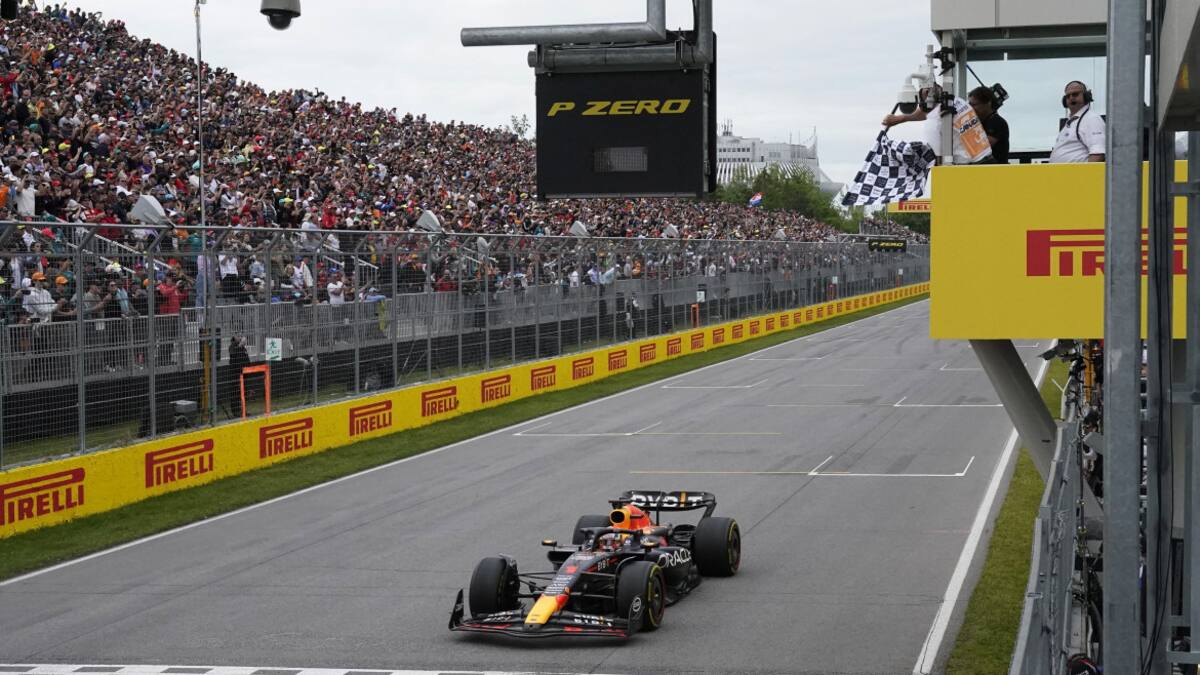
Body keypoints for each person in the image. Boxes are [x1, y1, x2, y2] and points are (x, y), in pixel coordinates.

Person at [1049, 81, 1106, 163]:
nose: (1071, 98)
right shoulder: (1071, 122)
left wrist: (1087, 175)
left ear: (1086, 97)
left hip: (1078, 175)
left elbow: (1098, 153)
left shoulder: (1091, 119)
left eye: (1075, 94)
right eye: (1068, 96)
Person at [967, 86, 1009, 164]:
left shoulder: (997, 122)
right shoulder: (978, 122)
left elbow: (982, 147)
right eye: (969, 105)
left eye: (974, 105)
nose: (971, 108)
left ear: (988, 103)